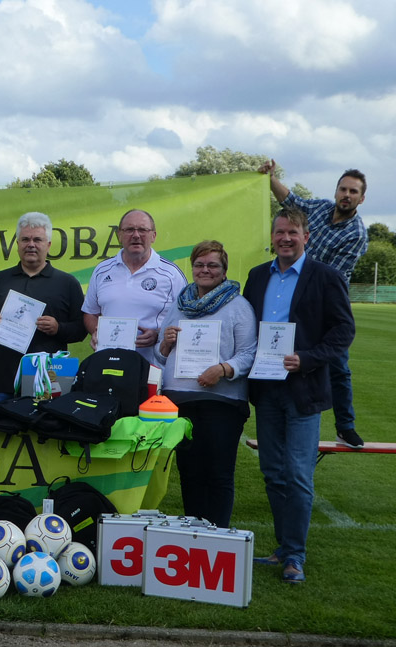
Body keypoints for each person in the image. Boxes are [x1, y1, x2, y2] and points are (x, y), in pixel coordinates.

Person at [243, 207, 355, 584]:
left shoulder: (326, 277)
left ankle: (295, 555)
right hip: (266, 389)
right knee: (273, 473)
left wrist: (306, 358)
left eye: (293, 232)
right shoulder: (257, 277)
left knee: (298, 475)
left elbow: (342, 332)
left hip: (304, 390)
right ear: (271, 237)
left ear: (306, 237)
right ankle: (282, 548)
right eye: (279, 232)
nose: (285, 238)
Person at [259, 160, 368, 448]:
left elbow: (332, 277)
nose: (346, 195)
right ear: (336, 191)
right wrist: (271, 178)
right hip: (291, 282)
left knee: (338, 363)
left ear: (361, 198)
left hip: (324, 297)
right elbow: (290, 200)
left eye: (353, 191)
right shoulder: (319, 208)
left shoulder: (357, 233)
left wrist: (297, 271)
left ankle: (345, 425)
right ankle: (270, 396)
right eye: (343, 189)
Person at [155, 240, 257, 527]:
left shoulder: (239, 306)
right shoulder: (180, 304)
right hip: (180, 401)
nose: (205, 270)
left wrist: (224, 369)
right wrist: (165, 344)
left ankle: (219, 534)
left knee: (218, 473)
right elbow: (160, 355)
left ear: (224, 271)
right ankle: (194, 532)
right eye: (199, 264)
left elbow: (249, 352)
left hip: (221, 403)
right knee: (190, 473)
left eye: (212, 265)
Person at [0, 212, 86, 404]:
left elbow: (81, 330)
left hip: (47, 381)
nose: (31, 244)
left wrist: (58, 328)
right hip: (1, 381)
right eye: (25, 239)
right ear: (17, 244)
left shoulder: (67, 283)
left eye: (37, 239)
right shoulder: (0, 279)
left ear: (48, 245)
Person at [82, 209, 187, 364]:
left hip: (153, 367)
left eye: (143, 230)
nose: (136, 235)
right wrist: (97, 332)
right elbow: (90, 313)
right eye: (129, 229)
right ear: (119, 235)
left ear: (153, 236)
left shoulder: (171, 274)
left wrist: (159, 334)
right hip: (109, 363)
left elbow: (185, 319)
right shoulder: (102, 270)